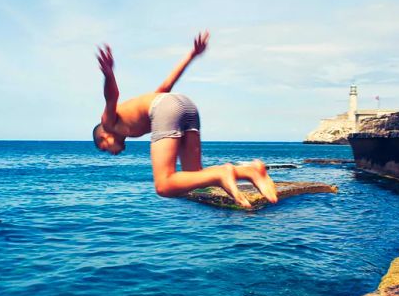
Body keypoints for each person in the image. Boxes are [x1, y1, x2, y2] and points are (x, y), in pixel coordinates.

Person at [92, 31, 277, 209]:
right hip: (185, 105)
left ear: (104, 137)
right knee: (195, 176)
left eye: (104, 148)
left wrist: (108, 74)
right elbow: (166, 86)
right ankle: (250, 170)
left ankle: (222, 174)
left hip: (165, 108)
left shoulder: (108, 123)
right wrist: (192, 55)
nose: (111, 153)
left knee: (164, 186)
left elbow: (112, 96)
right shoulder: (129, 120)